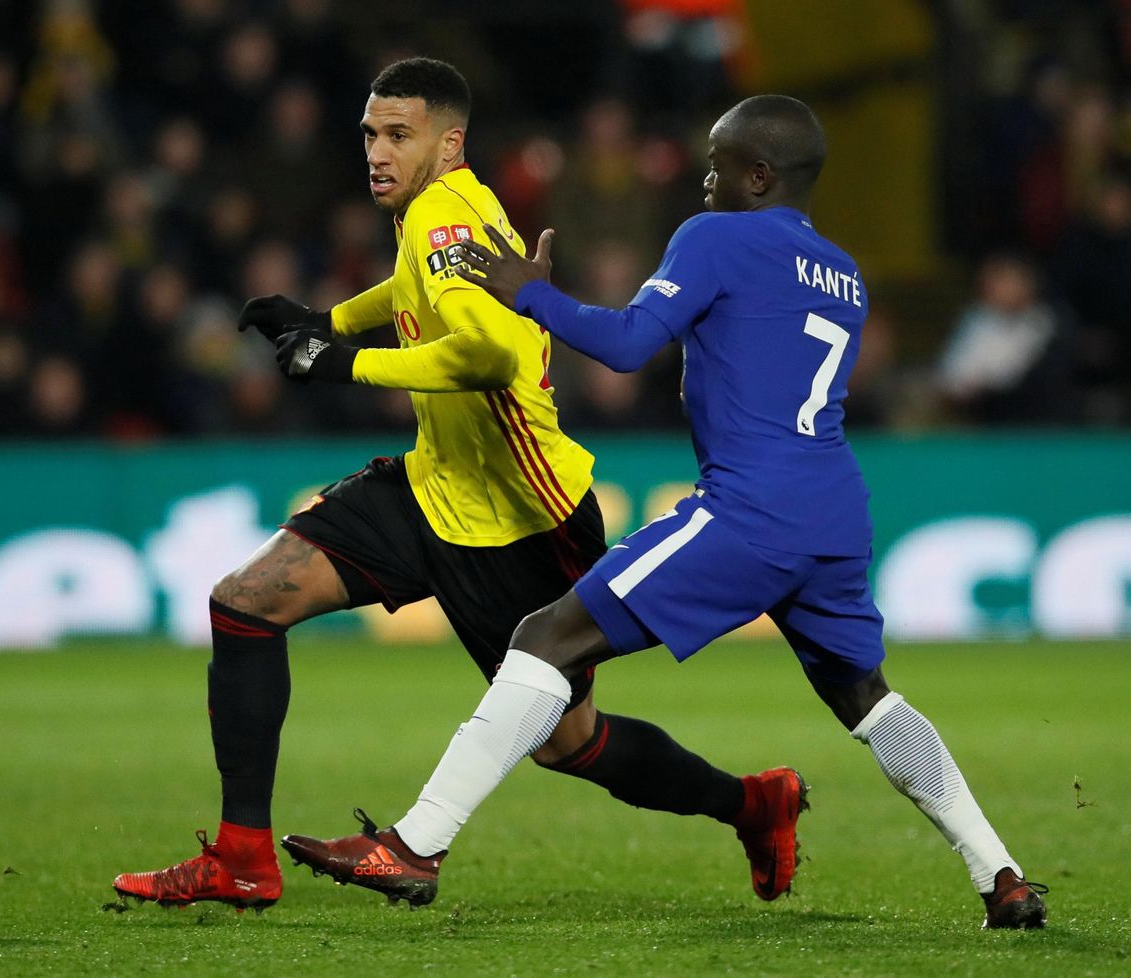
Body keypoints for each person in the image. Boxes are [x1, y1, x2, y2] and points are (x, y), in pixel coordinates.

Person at [281, 95, 1048, 930]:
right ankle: (999, 873)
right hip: (833, 511)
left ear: (760, 175)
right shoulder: (845, 273)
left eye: (720, 163)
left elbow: (624, 346)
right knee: (867, 696)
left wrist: (533, 293)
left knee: (545, 638)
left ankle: (416, 844)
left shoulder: (714, 235)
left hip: (749, 509)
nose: (705, 177)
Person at [112, 60, 798, 914]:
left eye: (399, 134)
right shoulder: (451, 207)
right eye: (369, 132)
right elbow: (414, 290)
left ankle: (752, 804)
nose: (377, 150)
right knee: (247, 602)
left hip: (523, 518)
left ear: (450, 141)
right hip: (435, 486)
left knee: (567, 742)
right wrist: (328, 320)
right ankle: (243, 857)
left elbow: (484, 356)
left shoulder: (439, 216)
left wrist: (343, 361)